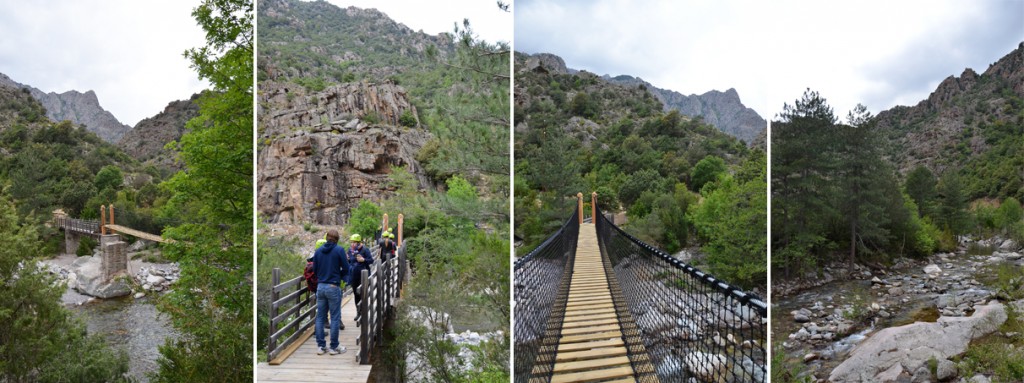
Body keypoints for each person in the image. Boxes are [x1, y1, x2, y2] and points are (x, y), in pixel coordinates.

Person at [311, 230, 350, 355]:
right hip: (333, 286)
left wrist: (322, 277)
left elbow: (315, 270)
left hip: (321, 287)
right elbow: (346, 268)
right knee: (334, 317)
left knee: (320, 317)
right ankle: (334, 347)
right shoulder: (339, 250)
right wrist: (341, 277)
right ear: (337, 239)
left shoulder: (318, 251)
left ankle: (321, 346)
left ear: (327, 238)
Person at [346, 233, 374, 312]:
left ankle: (364, 311)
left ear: (358, 242)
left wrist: (364, 260)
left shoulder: (365, 249)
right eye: (351, 242)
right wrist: (347, 259)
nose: (352, 244)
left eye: (354, 242)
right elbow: (349, 262)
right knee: (356, 294)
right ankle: (358, 312)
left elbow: (371, 260)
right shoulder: (350, 251)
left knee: (363, 294)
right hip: (353, 275)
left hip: (363, 275)